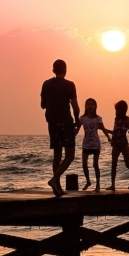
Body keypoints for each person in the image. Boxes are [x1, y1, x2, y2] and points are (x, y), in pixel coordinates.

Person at [40, 59, 79, 197]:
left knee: (57, 155)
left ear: (53, 70)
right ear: (65, 70)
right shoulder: (70, 85)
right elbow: (75, 106)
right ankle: (55, 179)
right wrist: (78, 121)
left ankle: (57, 187)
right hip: (65, 122)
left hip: (52, 122)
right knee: (70, 155)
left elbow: (43, 105)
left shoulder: (46, 84)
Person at [76, 98, 112, 192]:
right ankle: (88, 181)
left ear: (95, 106)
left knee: (95, 165)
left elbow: (103, 129)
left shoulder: (98, 118)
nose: (90, 106)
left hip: (95, 144)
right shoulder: (82, 118)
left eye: (92, 104)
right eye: (88, 104)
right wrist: (72, 135)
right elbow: (77, 129)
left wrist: (109, 138)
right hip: (86, 144)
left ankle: (98, 185)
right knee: (84, 164)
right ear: (86, 107)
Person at [106, 100, 129, 191]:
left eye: (118, 110)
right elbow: (114, 132)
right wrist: (105, 130)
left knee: (127, 163)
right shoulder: (116, 119)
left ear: (123, 110)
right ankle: (112, 185)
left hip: (124, 144)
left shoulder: (127, 119)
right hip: (116, 144)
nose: (116, 112)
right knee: (113, 164)